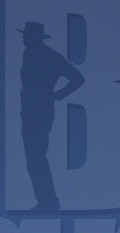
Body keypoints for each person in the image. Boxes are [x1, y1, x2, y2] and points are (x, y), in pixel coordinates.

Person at [18, 21, 84, 212]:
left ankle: (49, 202)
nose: (24, 39)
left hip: (40, 110)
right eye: (24, 35)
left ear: (35, 38)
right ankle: (45, 201)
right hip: (30, 110)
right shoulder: (28, 53)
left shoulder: (49, 56)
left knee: (36, 157)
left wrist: (57, 95)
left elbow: (78, 78)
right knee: (33, 158)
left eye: (27, 35)